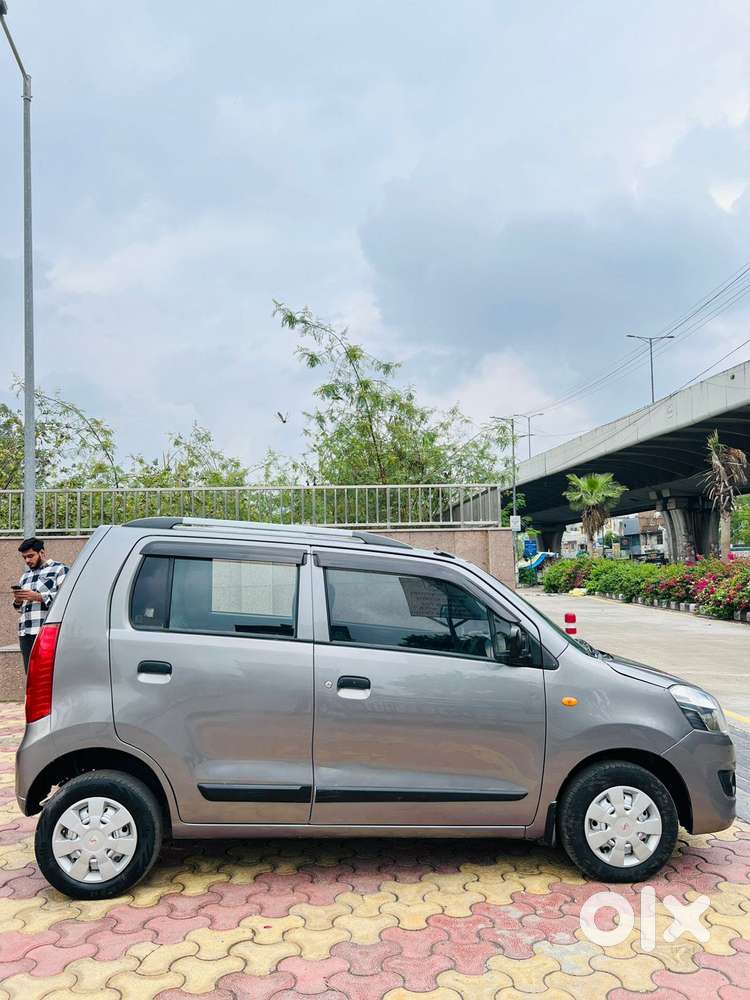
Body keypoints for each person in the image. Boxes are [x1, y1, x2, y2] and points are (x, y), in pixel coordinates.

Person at [11, 538, 69, 674]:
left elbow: (66, 599)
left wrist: (39, 597)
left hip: (46, 632)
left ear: (41, 552)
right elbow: (19, 608)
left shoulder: (59, 569)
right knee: (31, 675)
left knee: (48, 674)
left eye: (30, 556)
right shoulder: (25, 576)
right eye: (24, 557)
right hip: (26, 632)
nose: (27, 560)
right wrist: (18, 600)